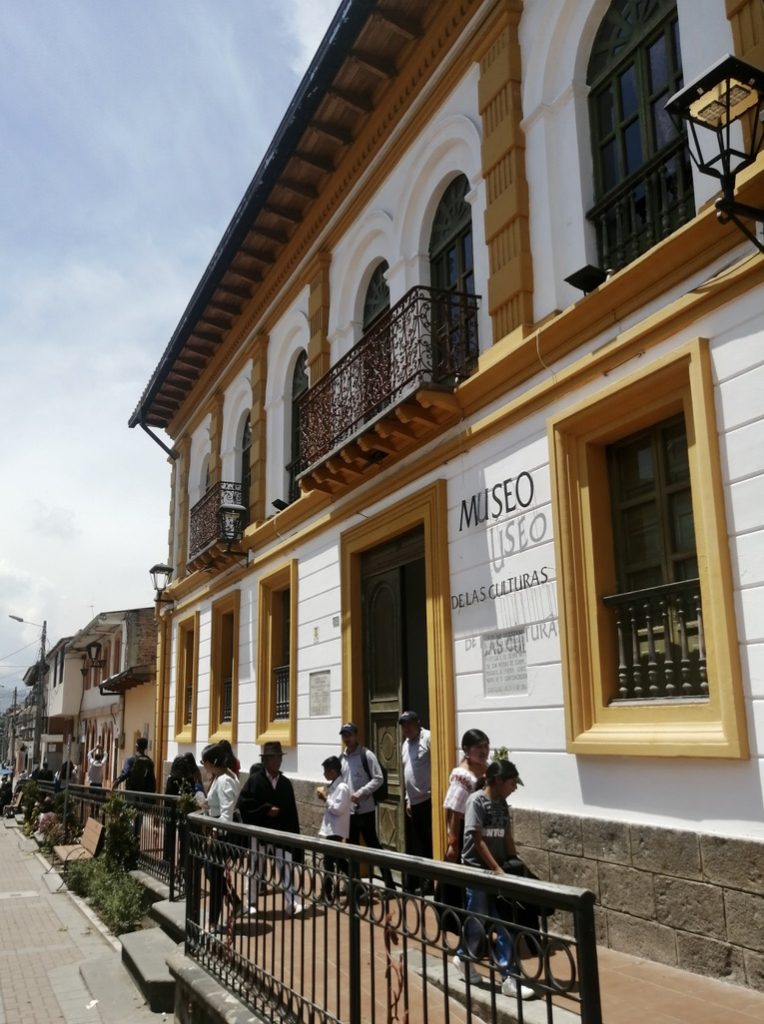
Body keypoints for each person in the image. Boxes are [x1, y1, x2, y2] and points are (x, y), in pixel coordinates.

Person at [454, 760, 536, 1001]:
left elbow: (506, 834)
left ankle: (508, 977)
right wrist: (496, 868)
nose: (514, 787)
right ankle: (464, 957)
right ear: (498, 781)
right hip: (478, 872)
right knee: (477, 921)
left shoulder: (502, 804)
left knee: (504, 924)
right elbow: (476, 839)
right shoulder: (476, 801)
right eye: (512, 782)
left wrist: (514, 861)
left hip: (497, 873)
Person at [237, 741, 304, 916]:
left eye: (279, 758)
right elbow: (244, 804)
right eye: (274, 758)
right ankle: (251, 902)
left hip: (280, 834)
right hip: (260, 833)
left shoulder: (285, 784)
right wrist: (265, 810)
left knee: (286, 867)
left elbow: (291, 812)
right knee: (255, 868)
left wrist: (294, 838)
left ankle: (291, 903)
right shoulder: (255, 781)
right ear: (266, 760)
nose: (278, 761)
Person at [340, 723, 396, 893]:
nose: (347, 739)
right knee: (352, 848)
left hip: (365, 810)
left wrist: (362, 792)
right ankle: (357, 885)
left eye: (349, 735)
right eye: (344, 735)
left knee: (374, 847)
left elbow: (378, 778)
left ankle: (390, 885)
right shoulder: (341, 758)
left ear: (356, 735)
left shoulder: (367, 755)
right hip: (349, 812)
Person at [201, 743, 242, 932]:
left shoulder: (226, 780)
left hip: (221, 836)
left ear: (212, 762)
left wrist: (215, 835)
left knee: (215, 877)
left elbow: (227, 814)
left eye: (205, 762)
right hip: (215, 832)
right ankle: (234, 900)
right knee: (211, 873)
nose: (203, 765)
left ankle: (213, 921)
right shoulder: (219, 778)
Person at [399, 710, 432, 892]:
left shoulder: (428, 737)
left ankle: (430, 883)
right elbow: (407, 773)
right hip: (414, 803)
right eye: (404, 725)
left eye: (409, 723)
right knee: (418, 842)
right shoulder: (405, 744)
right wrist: (407, 799)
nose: (407, 727)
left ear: (418, 722)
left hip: (429, 800)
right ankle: (417, 881)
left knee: (428, 843)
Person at [317, 755, 351, 902]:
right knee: (335, 860)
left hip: (336, 830)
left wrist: (326, 799)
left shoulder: (342, 788)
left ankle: (327, 891)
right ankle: (329, 890)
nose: (324, 774)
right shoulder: (334, 786)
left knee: (330, 861)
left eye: (326, 771)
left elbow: (337, 809)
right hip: (331, 829)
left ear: (333, 771)